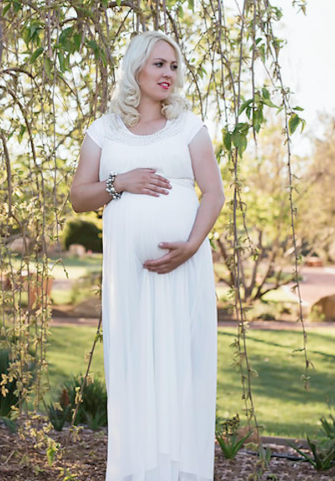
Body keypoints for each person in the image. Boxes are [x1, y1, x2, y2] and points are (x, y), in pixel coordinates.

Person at [70, 31, 224, 481]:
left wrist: (192, 245)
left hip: (183, 267)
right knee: (136, 365)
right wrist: (122, 182)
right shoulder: (104, 131)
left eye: (174, 67)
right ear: (136, 67)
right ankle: (137, 471)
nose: (168, 74)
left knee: (181, 366)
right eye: (159, 64)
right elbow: (80, 197)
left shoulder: (190, 127)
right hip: (130, 276)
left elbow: (213, 194)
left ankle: (181, 472)